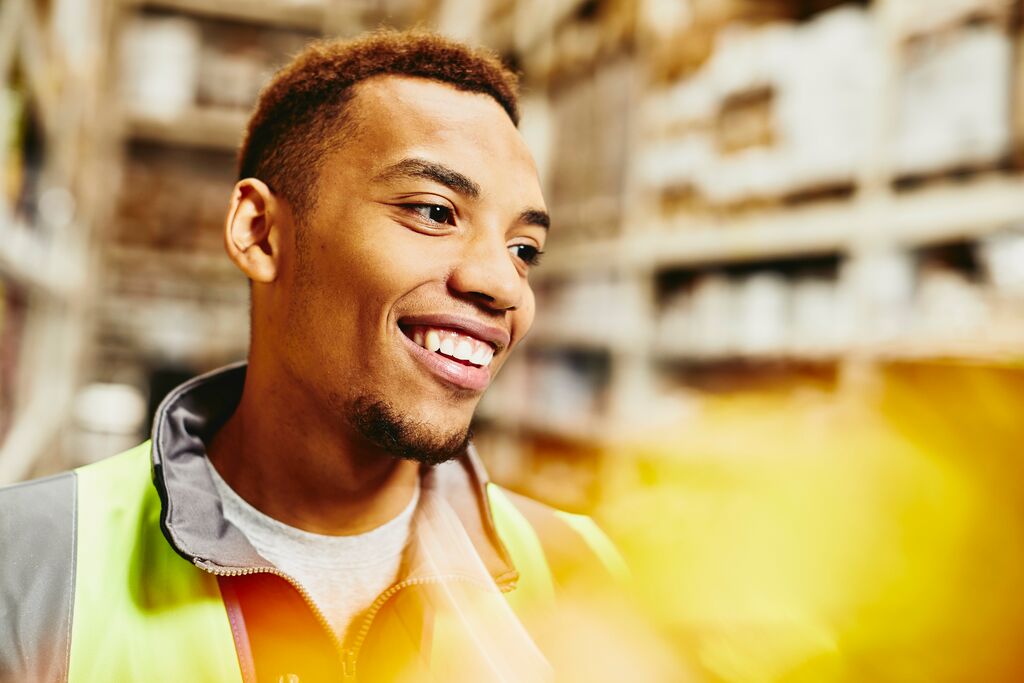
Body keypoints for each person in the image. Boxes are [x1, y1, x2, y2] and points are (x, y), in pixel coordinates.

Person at [0, 30, 625, 683]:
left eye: (524, 249)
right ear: (261, 232)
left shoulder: (581, 571)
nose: (503, 285)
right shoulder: (27, 567)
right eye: (435, 211)